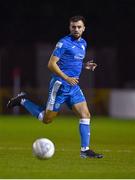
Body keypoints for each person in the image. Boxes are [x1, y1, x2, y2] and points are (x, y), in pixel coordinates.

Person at [7, 15, 103, 159]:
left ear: (84, 28)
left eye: (79, 27)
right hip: (60, 86)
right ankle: (22, 100)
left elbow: (71, 62)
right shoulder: (63, 43)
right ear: (69, 27)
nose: (76, 29)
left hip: (73, 86)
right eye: (73, 27)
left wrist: (85, 65)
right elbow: (51, 64)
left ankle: (85, 150)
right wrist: (66, 78)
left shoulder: (83, 43)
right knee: (47, 119)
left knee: (85, 115)